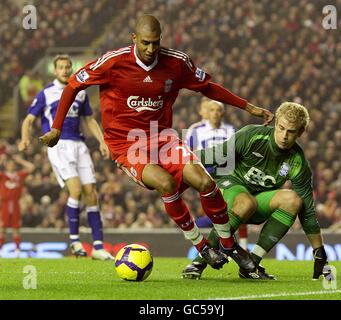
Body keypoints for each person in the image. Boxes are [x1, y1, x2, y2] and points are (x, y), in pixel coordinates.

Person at [39, 15, 274, 276]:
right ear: (134, 39)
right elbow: (73, 84)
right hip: (126, 144)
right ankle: (200, 244)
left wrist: (248, 106)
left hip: (162, 136)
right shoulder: (113, 62)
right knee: (165, 183)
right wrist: (57, 127)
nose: (151, 49)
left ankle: (229, 245)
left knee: (205, 182)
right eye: (146, 43)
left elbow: (207, 87)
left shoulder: (176, 62)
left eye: (156, 43)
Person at [182, 102, 329, 280]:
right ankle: (197, 263)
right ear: (276, 124)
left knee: (293, 200)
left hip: (258, 200)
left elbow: (308, 212)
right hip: (230, 186)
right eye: (281, 128)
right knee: (246, 202)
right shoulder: (252, 135)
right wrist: (174, 162)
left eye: (290, 132)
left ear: (301, 132)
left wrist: (319, 251)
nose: (284, 136)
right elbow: (212, 155)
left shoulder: (298, 162)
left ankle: (251, 264)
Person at [19, 54, 113, 261]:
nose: (65, 70)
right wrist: (25, 139)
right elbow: (28, 120)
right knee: (76, 190)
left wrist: (102, 141)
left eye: (68, 67)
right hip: (59, 146)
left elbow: (89, 120)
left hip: (79, 145)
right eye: (61, 67)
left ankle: (98, 246)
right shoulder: (47, 93)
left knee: (92, 193)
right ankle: (75, 241)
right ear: (55, 70)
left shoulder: (79, 92)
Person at [185, 99, 248, 249]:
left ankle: (240, 246)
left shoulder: (231, 130)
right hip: (206, 176)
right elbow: (187, 153)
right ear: (207, 112)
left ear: (223, 113)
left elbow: (238, 153)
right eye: (212, 110)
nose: (215, 113)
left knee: (239, 205)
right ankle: (204, 234)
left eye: (218, 110)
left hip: (228, 175)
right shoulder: (196, 130)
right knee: (221, 212)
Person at [0, 154, 35, 257]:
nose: (11, 166)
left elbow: (31, 167)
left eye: (12, 164)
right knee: (2, 227)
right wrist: (1, 160)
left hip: (16, 204)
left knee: (16, 228)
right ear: (6, 165)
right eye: (9, 164)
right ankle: (1, 249)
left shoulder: (19, 175)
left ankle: (17, 250)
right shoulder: (3, 176)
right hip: (5, 204)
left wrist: (20, 160)